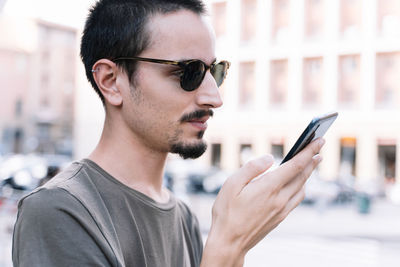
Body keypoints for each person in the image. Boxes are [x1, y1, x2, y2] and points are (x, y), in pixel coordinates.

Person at [12, 0, 325, 266]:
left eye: (214, 72)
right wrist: (228, 247)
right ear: (111, 81)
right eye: (188, 72)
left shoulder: (182, 216)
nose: (214, 97)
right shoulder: (57, 211)